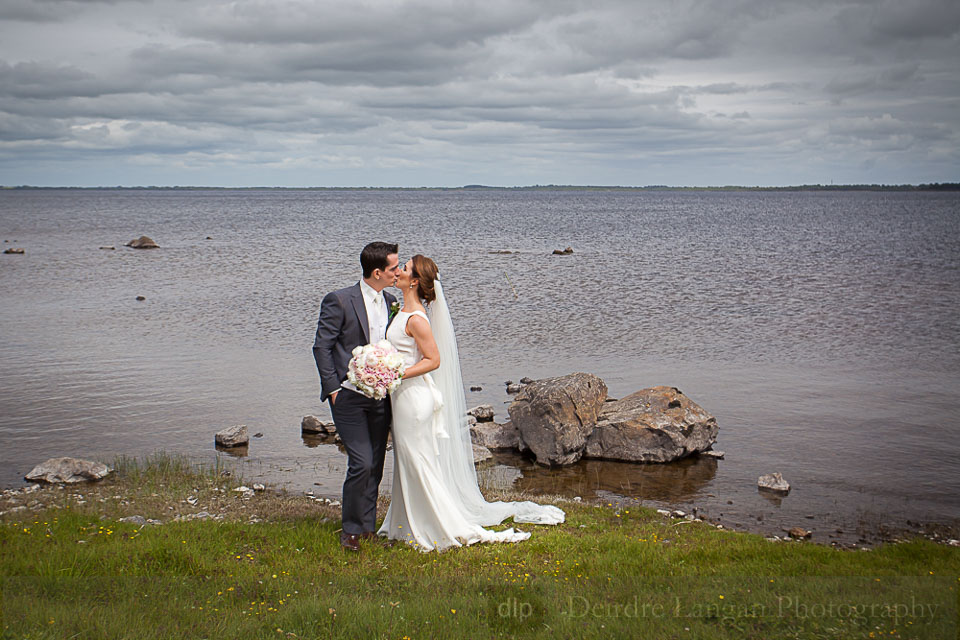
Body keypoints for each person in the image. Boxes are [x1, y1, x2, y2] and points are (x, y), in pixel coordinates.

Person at [379, 255, 565, 551]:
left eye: (405, 269)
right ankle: (405, 523)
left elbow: (433, 360)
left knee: (419, 462)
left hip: (414, 400)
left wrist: (396, 372)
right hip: (402, 398)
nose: (398, 271)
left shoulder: (416, 319)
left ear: (414, 281)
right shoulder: (402, 311)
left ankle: (438, 525)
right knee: (408, 461)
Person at [313, 242, 400, 552]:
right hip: (348, 397)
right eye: (393, 268)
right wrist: (334, 390)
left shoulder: (391, 301)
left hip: (381, 397)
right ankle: (350, 530)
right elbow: (321, 347)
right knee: (361, 463)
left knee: (376, 464)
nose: (398, 273)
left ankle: (367, 529)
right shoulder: (339, 301)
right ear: (377, 272)